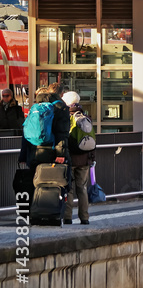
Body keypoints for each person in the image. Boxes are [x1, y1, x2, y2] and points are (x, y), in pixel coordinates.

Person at [18, 83, 72, 169]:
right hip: (52, 153)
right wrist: (61, 154)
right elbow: (61, 133)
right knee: (59, 176)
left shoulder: (35, 107)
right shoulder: (61, 108)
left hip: (34, 152)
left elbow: (26, 131)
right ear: (61, 94)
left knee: (35, 176)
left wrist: (23, 155)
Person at [62, 91, 92, 225]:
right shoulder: (86, 117)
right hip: (84, 159)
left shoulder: (65, 117)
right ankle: (84, 218)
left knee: (69, 189)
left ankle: (67, 217)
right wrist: (91, 158)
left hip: (70, 159)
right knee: (82, 188)